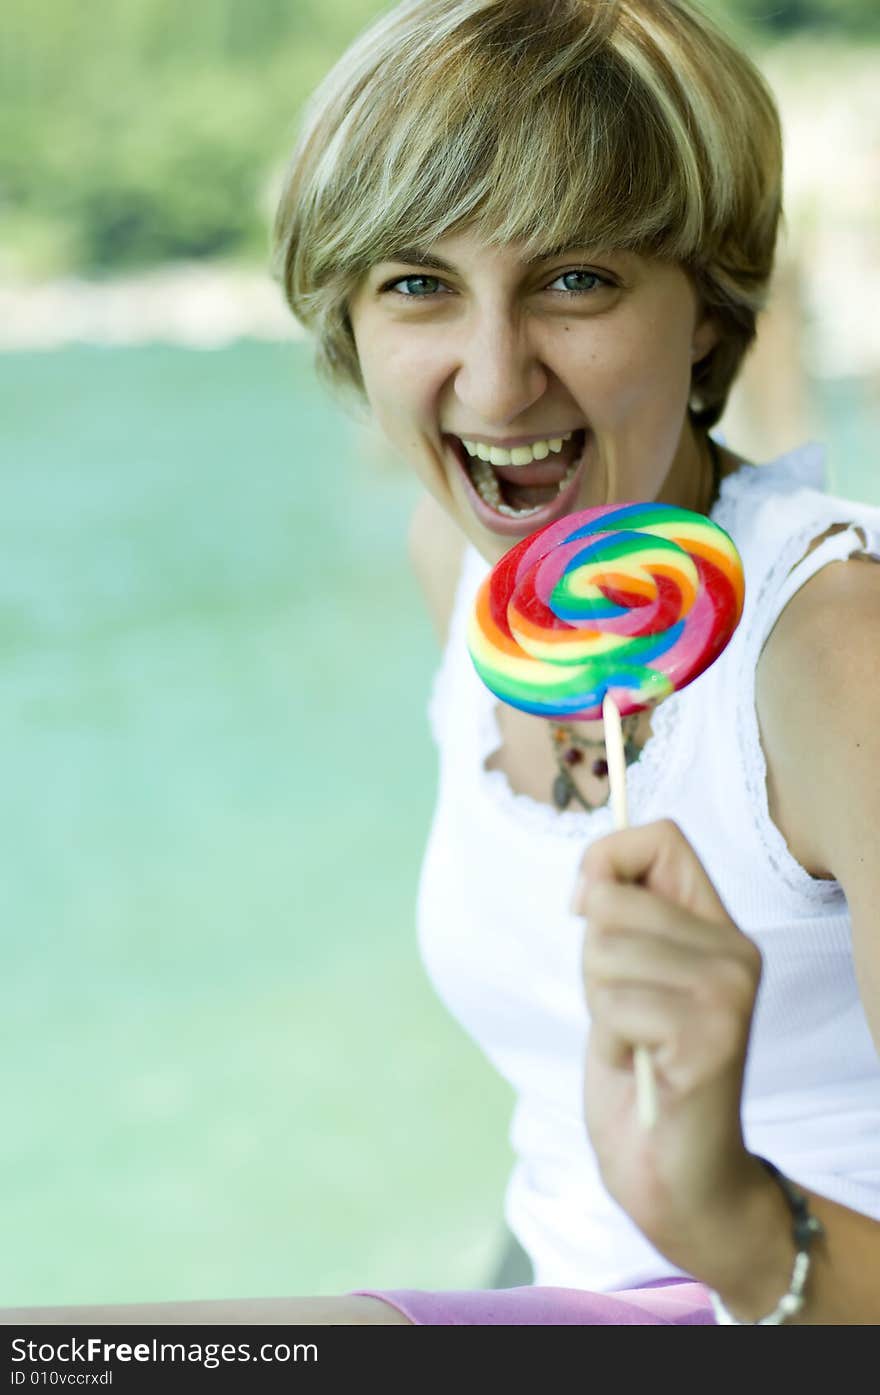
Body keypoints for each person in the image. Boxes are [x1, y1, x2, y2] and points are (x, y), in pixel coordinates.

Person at [6, 0, 880, 1327]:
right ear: (349, 321)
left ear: (705, 314)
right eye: (417, 283)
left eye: (575, 278)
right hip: (543, 1280)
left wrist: (736, 1218)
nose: (494, 379)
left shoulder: (834, 654)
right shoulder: (463, 568)